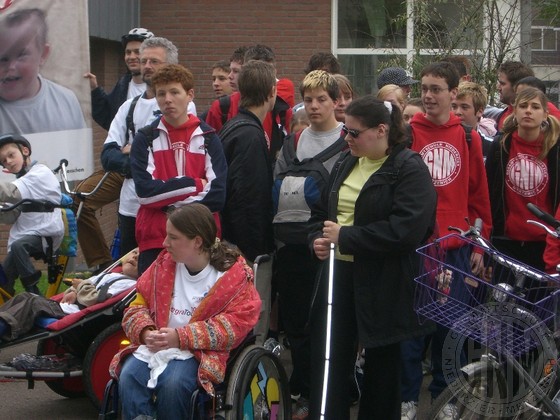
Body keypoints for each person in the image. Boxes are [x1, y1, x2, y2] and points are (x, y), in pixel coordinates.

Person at [308, 96, 437, 419]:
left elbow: (407, 231)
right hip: (339, 277)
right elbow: (322, 213)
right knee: (331, 361)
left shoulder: (409, 167)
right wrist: (318, 240)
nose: (347, 139)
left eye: (353, 133)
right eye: (345, 132)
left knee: (382, 370)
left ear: (381, 130)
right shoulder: (345, 162)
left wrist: (347, 238)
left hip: (385, 281)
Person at [108, 203, 261, 420]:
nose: (164, 243)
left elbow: (235, 326)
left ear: (197, 241)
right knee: (130, 375)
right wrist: (145, 331)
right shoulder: (163, 266)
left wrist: (181, 337)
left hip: (200, 351)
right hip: (158, 345)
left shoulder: (232, 277)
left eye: (173, 237)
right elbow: (136, 307)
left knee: (174, 384)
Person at [409, 61, 492, 410]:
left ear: (453, 93)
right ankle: (406, 399)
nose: (428, 96)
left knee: (453, 329)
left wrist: (479, 243)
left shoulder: (468, 135)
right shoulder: (409, 132)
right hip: (417, 247)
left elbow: (478, 195)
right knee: (411, 331)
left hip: (456, 247)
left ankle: (447, 399)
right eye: (424, 88)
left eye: (436, 89)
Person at [76, 37, 188, 273]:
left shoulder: (182, 106)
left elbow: (163, 153)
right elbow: (107, 156)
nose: (146, 65)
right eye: (144, 60)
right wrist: (137, 157)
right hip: (129, 207)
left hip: (165, 208)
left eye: (154, 61)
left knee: (162, 273)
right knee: (129, 276)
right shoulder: (129, 107)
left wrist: (131, 150)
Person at [272, 70, 346, 419]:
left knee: (326, 330)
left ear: (335, 102)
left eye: (322, 100)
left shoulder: (349, 141)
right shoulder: (294, 141)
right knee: (297, 327)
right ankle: (304, 391)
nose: (314, 106)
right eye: (310, 99)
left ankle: (326, 397)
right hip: (290, 246)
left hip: (327, 247)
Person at [130, 64, 227, 275]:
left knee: (199, 306)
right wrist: (193, 184)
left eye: (175, 92)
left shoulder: (209, 137)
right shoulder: (145, 138)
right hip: (156, 239)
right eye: (161, 93)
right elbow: (146, 195)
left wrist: (169, 204)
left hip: (199, 241)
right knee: (153, 304)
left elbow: (217, 196)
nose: (167, 99)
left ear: (190, 94)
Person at [219, 60, 277, 345]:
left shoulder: (234, 127)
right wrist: (254, 253)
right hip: (246, 252)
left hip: (234, 244)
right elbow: (247, 199)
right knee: (252, 322)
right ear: (271, 93)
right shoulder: (250, 135)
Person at [486, 87, 560, 273]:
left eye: (535, 107)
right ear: (515, 111)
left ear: (545, 114)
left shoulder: (555, 150)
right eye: (523, 106)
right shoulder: (501, 146)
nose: (528, 110)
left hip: (544, 242)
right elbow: (488, 192)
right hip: (506, 239)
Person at [0, 249, 138, 341]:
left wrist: (79, 287)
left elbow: (95, 299)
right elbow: (78, 287)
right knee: (24, 296)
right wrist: (74, 290)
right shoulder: (110, 273)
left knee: (32, 303)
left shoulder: (127, 284)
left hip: (74, 314)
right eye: (134, 253)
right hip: (65, 306)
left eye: (140, 257)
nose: (135, 257)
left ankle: (3, 327)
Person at [0, 8, 86, 134]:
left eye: (21, 55)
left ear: (43, 54)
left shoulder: (66, 102)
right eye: (3, 58)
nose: (11, 66)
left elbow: (79, 150)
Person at [205, 44, 295, 162]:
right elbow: (209, 153)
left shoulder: (282, 109)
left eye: (267, 72)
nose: (261, 78)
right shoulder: (222, 108)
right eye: (255, 71)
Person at [0, 134, 63, 296]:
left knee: (18, 246)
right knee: (2, 282)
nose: (8, 161)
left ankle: (33, 292)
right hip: (25, 235)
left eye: (11, 155)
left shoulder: (40, 173)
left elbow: (10, 192)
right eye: (3, 160)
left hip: (44, 233)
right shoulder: (23, 180)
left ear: (25, 151)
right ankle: (13, 314)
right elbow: (10, 215)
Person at [85, 27, 155, 131]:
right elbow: (108, 118)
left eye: (137, 52)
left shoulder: (162, 87)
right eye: (128, 52)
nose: (131, 57)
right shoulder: (123, 85)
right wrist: (94, 90)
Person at [451, 81, 496, 159]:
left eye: (464, 107)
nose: (457, 112)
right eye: (454, 107)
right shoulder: (442, 143)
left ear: (480, 111)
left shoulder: (491, 146)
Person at [494, 61, 534, 131]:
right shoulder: (504, 114)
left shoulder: (549, 112)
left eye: (502, 84)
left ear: (517, 87)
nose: (498, 87)